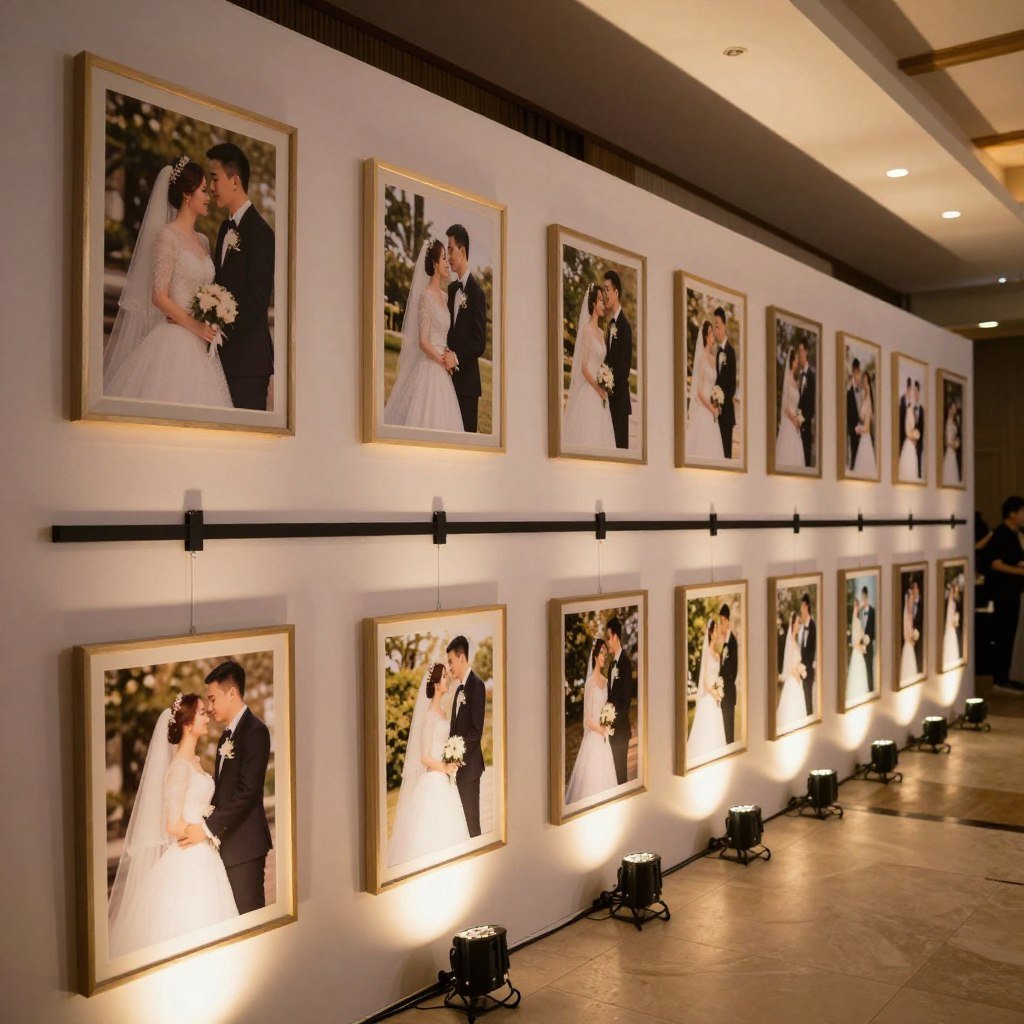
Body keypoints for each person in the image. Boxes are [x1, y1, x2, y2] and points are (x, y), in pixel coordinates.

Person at [107, 694, 238, 959]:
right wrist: (204, 831)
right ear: (188, 724)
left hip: (205, 853)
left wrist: (208, 830)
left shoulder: (195, 762)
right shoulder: (179, 766)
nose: (207, 717)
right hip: (190, 855)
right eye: (201, 713)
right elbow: (172, 824)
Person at [103, 158, 233, 407]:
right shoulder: (166, 236)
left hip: (202, 343)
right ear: (187, 194)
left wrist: (212, 316)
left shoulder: (203, 241)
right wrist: (195, 325)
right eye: (203, 190)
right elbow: (159, 296)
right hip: (175, 339)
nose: (208, 197)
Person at [178, 661, 272, 914]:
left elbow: (246, 792)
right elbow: (222, 793)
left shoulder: (255, 731)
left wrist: (206, 829)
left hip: (245, 847)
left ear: (232, 693)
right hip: (225, 846)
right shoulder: (225, 737)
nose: (210, 708)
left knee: (249, 918)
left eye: (212, 699)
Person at [207, 142, 276, 411]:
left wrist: (220, 329)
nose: (211, 187)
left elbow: (258, 300)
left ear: (234, 181)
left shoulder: (261, 233)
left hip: (248, 364)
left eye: (215, 178)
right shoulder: (225, 228)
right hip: (221, 358)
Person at [387, 663, 470, 865]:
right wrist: (444, 768)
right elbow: (424, 757)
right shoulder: (429, 716)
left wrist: (452, 759)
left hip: (445, 779)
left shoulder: (442, 713)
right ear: (435, 684)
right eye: (444, 677)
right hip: (434, 780)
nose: (447, 680)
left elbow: (442, 746)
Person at [383, 240, 463, 432]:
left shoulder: (446, 297)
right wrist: (442, 360)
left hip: (443, 370)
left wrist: (448, 357)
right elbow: (423, 342)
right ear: (435, 264)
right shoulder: (425, 297)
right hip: (431, 365)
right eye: (443, 258)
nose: (447, 263)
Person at [444, 224, 487, 432]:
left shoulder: (477, 293)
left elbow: (479, 343)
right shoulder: (452, 289)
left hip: (468, 387)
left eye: (450, 249)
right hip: (446, 382)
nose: (448, 255)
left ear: (461, 251)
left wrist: (456, 358)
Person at [561, 283, 615, 449]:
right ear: (593, 304)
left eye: (603, 300)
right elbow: (584, 367)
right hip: (590, 390)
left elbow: (601, 363)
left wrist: (606, 380)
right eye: (600, 300)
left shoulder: (601, 333)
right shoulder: (586, 331)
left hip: (601, 392)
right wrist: (598, 388)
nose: (603, 304)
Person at [564, 639, 619, 803]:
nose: (604, 656)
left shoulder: (605, 681)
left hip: (604, 739)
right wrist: (600, 729)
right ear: (595, 656)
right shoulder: (589, 683)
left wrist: (607, 722)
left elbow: (606, 708)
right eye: (601, 653)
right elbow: (587, 719)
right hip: (594, 737)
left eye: (605, 653)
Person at [447, 636, 487, 837]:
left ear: (461, 657)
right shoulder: (458, 690)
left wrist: (457, 758)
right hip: (458, 771)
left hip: (469, 770)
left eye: (451, 661)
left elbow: (476, 731)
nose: (449, 667)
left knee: (472, 827)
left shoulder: (476, 685)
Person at [988, 496, 1024, 692]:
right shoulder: (1001, 534)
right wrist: (1020, 571)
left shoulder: (1014, 534)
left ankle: (1008, 676)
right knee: (1004, 633)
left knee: (1010, 634)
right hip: (1004, 592)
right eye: (1022, 512)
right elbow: (996, 564)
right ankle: (1000, 678)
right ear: (1012, 514)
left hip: (1013, 591)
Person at [687, 619, 727, 760]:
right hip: (709, 696)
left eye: (717, 629)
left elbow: (716, 677)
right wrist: (714, 692)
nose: (716, 632)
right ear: (710, 633)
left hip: (715, 696)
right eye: (714, 629)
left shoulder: (717, 654)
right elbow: (704, 682)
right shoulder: (707, 653)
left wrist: (719, 688)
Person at [685, 321, 725, 461]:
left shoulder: (714, 359)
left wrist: (717, 402)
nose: (713, 335)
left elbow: (714, 386)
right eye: (710, 333)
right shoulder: (701, 358)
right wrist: (711, 408)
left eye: (713, 332)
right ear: (705, 337)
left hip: (712, 409)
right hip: (704, 408)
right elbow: (699, 391)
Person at [602, 270, 633, 450]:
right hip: (609, 402)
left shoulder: (625, 326)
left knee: (620, 452)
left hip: (619, 402)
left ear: (616, 292)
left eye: (607, 289)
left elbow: (624, 369)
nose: (604, 294)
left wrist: (608, 389)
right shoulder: (610, 324)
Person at [604, 616, 634, 785]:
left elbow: (626, 702)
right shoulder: (611, 665)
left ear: (615, 637)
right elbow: (611, 697)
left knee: (621, 775)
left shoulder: (625, 663)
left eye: (608, 637)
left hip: (621, 730)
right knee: (613, 775)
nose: (607, 642)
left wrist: (613, 720)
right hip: (611, 731)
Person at [713, 307, 737, 459]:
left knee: (726, 455)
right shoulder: (717, 353)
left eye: (717, 325)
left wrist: (721, 403)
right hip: (717, 413)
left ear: (724, 326)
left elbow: (732, 386)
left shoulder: (730, 352)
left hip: (727, 414)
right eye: (714, 326)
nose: (715, 329)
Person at [775, 349, 805, 468]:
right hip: (789, 422)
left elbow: (795, 405)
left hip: (795, 422)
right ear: (791, 361)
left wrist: (799, 418)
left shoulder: (795, 381)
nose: (797, 362)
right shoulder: (787, 379)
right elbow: (786, 408)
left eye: (797, 360)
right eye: (795, 360)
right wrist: (794, 420)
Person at [776, 614, 807, 727]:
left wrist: (801, 670)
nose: (799, 625)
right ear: (793, 625)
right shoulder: (790, 643)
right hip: (793, 680)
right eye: (798, 623)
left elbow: (796, 662)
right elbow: (790, 665)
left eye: (799, 623)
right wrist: (797, 674)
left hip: (797, 679)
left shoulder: (796, 643)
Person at [846, 593, 871, 702]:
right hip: (857, 652)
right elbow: (854, 642)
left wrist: (864, 640)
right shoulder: (855, 621)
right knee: (857, 672)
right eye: (855, 606)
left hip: (858, 651)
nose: (857, 608)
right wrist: (861, 647)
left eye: (857, 606)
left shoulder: (857, 620)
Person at [852, 371, 877, 477]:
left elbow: (866, 427)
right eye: (864, 382)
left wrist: (858, 429)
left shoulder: (868, 403)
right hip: (863, 438)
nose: (865, 386)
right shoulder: (864, 400)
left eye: (867, 383)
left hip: (865, 438)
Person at [796, 338, 816, 468]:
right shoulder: (797, 376)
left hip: (806, 429)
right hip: (795, 429)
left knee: (806, 463)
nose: (799, 354)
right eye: (798, 351)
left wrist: (801, 419)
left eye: (801, 350)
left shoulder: (811, 375)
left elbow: (812, 408)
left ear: (806, 352)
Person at [846, 357, 863, 469]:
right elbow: (848, 412)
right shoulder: (848, 390)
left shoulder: (862, 389)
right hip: (853, 431)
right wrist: (853, 429)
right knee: (854, 457)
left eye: (859, 373)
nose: (858, 376)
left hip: (862, 431)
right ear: (853, 372)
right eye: (857, 373)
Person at [900, 589, 919, 682]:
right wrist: (912, 639)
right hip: (908, 645)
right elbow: (905, 634)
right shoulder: (906, 615)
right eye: (911, 597)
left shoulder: (910, 614)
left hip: (910, 645)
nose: (912, 598)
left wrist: (914, 636)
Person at [942, 398, 962, 486]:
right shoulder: (948, 423)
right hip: (950, 450)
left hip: (952, 451)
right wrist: (954, 444)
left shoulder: (953, 421)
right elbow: (948, 441)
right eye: (953, 408)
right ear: (949, 409)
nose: (955, 410)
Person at [942, 580, 961, 668]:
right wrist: (954, 621)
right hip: (949, 627)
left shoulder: (954, 602)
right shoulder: (950, 602)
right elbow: (948, 616)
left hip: (952, 627)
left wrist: (955, 620)